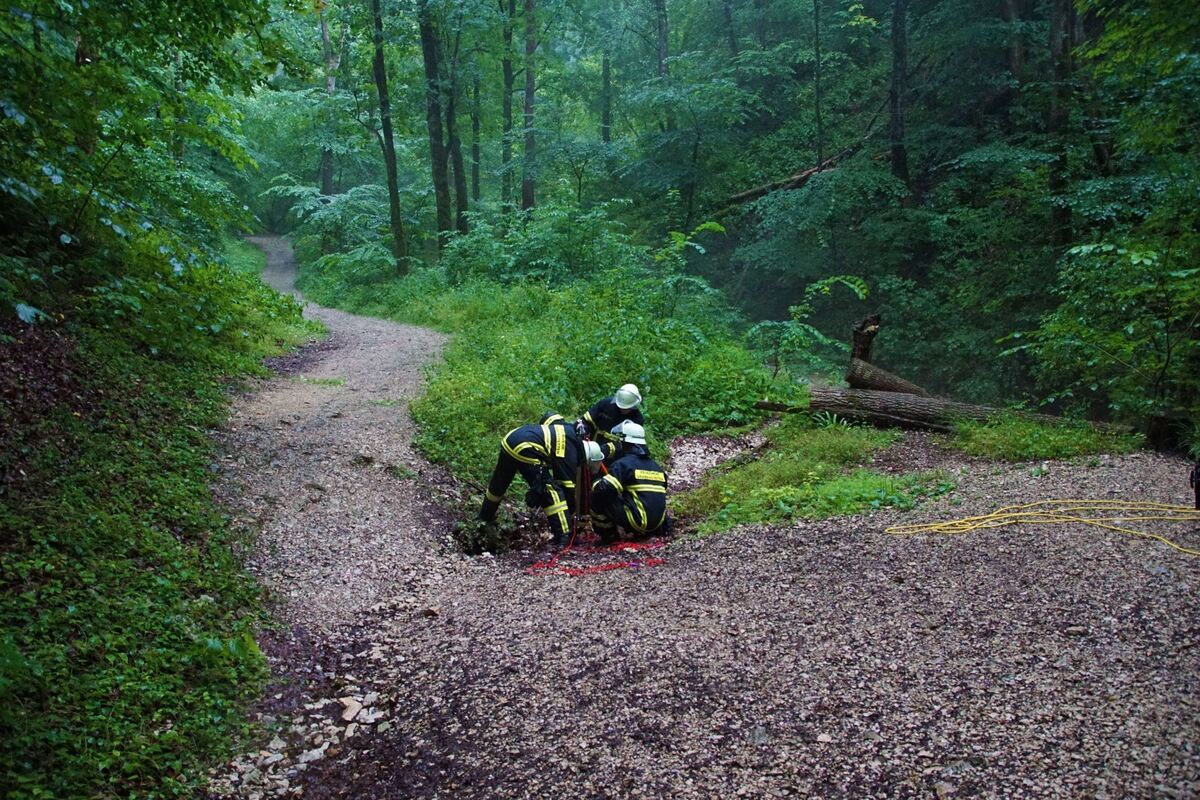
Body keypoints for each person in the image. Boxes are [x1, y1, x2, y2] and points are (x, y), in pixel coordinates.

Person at [479, 412, 604, 546]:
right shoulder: (570, 450)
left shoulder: (569, 432)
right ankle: (564, 536)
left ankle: (483, 518)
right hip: (525, 447)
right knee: (552, 492)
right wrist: (572, 517)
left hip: (510, 440)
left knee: (499, 484)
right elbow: (567, 487)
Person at [589, 421, 670, 544]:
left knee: (597, 497)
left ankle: (609, 536)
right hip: (656, 523)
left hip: (638, 521)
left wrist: (594, 478)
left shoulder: (623, 464)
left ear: (626, 443)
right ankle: (655, 531)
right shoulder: (657, 467)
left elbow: (604, 489)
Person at [576, 384, 645, 452]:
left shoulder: (637, 420)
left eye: (626, 408)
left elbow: (629, 445)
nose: (622, 409)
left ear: (634, 406)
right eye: (620, 407)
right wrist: (582, 428)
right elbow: (587, 421)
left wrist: (608, 449)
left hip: (615, 456)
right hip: (592, 446)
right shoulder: (605, 405)